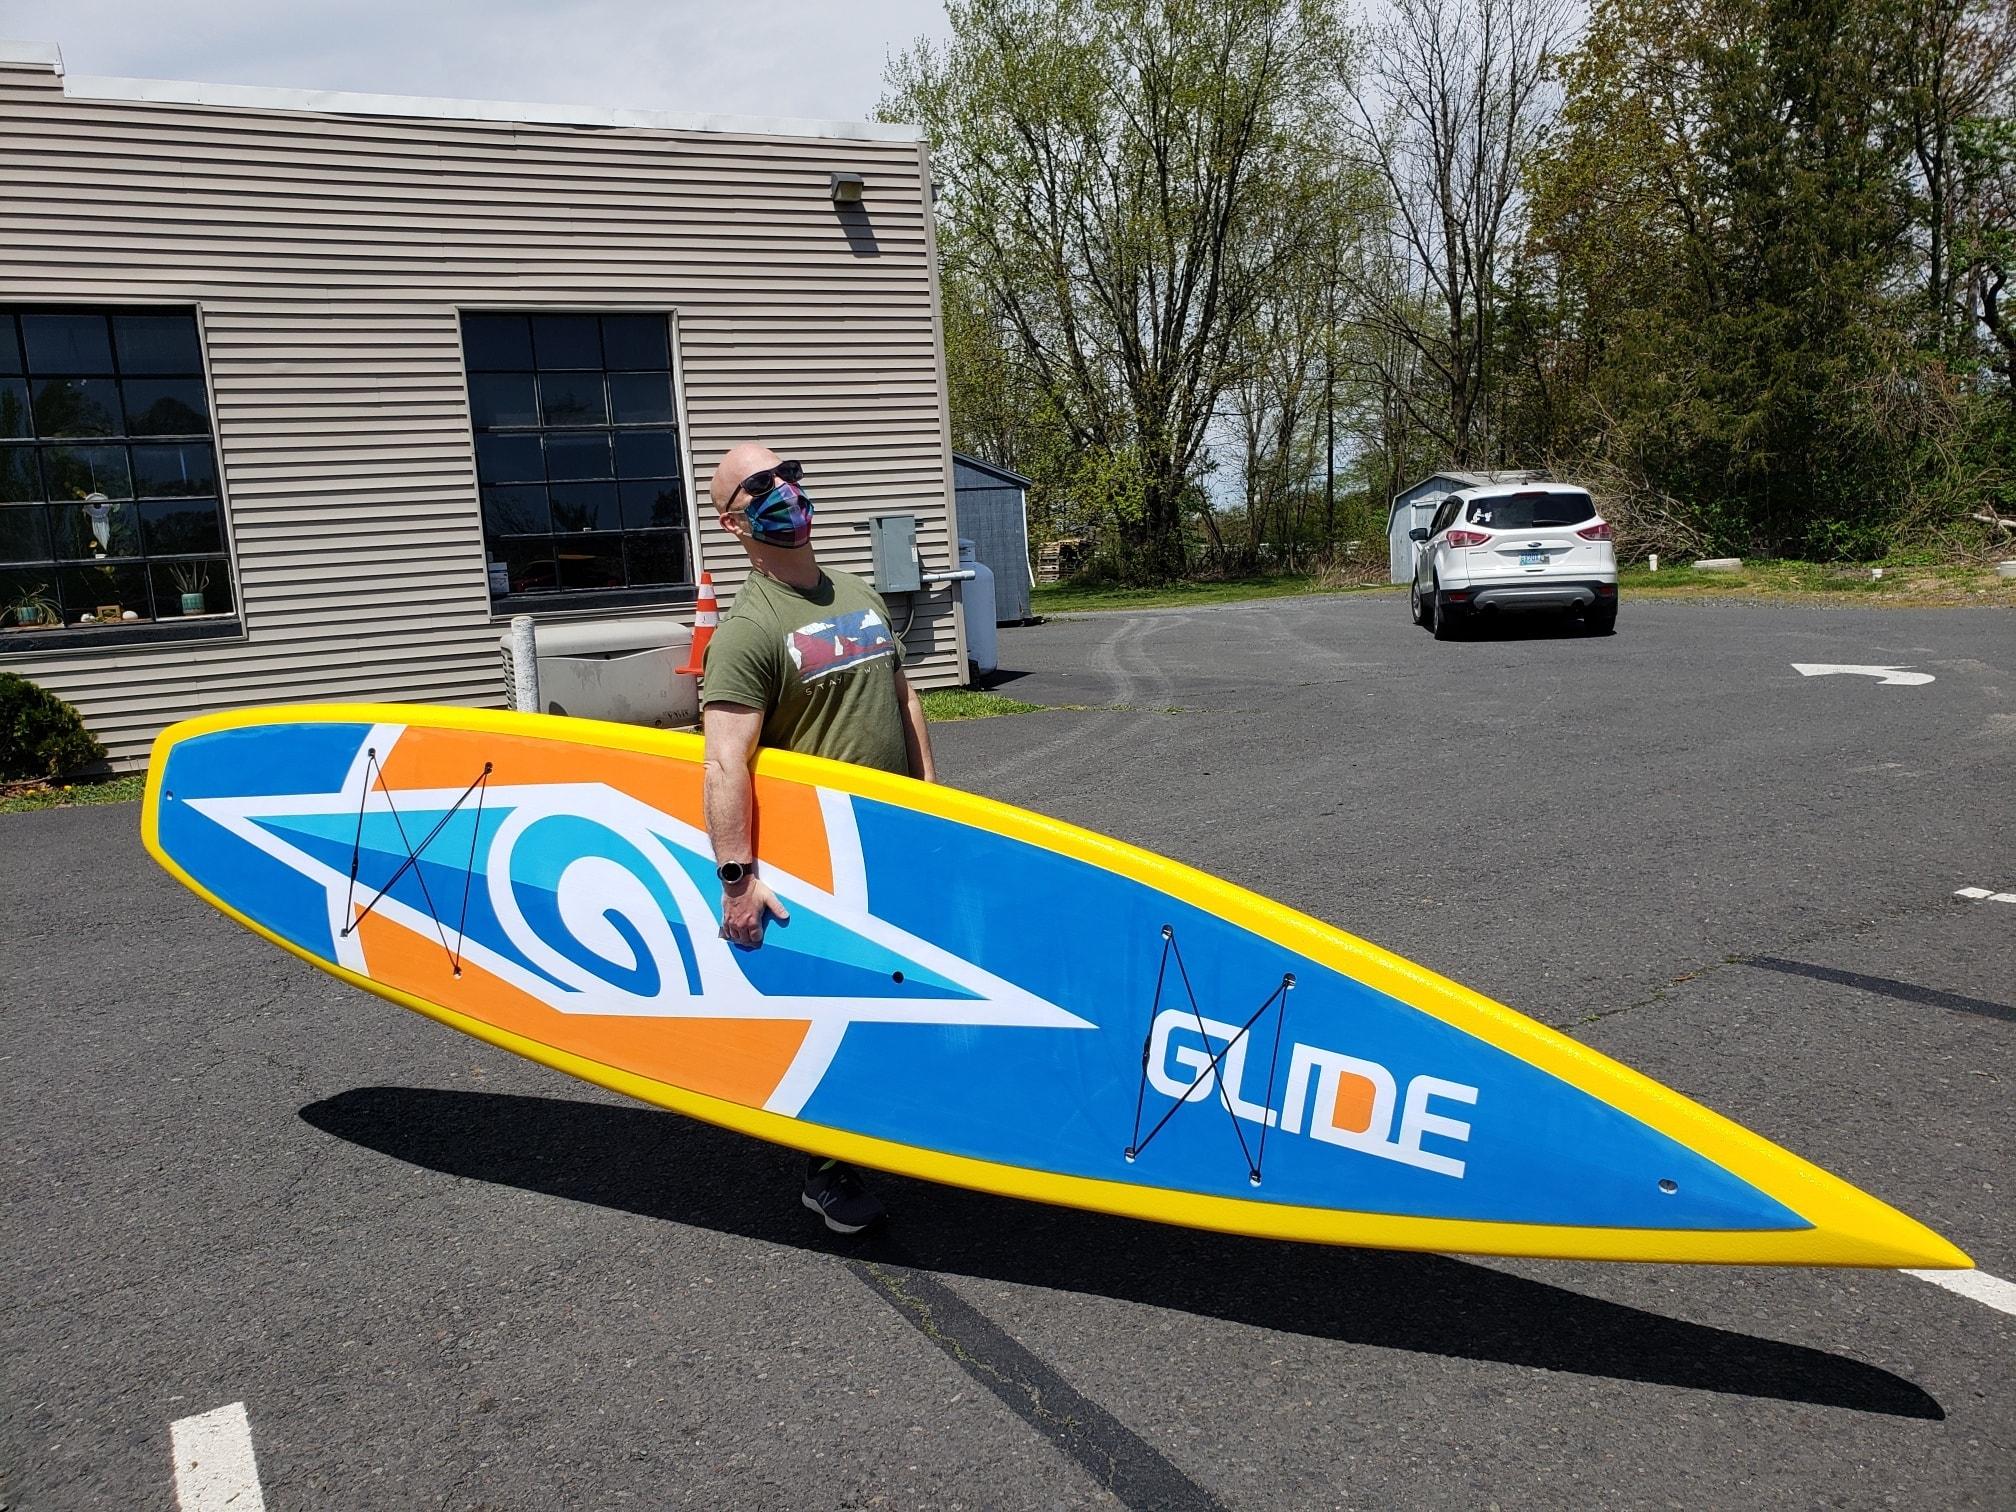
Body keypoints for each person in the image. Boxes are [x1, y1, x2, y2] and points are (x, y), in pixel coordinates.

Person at [698, 442, 936, 1234]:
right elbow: (725, 759)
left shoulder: (856, 591)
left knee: (910, 994)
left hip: (899, 833)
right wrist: (737, 879)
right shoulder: (748, 629)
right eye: (758, 487)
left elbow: (903, 698)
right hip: (828, 854)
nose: (783, 492)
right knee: (843, 1009)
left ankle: (904, 1130)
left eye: (787, 475)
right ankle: (826, 1172)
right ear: (733, 523)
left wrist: (938, 808)